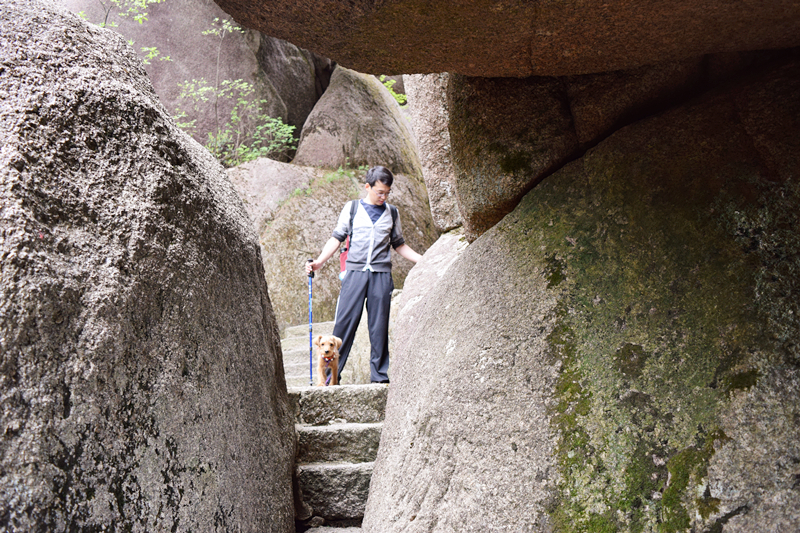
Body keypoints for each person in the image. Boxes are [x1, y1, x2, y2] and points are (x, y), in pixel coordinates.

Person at [305, 166, 422, 383]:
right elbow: (337, 237)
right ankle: (331, 377)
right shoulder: (352, 209)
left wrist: (424, 260)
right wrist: (320, 261)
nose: (383, 196)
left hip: (381, 275)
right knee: (344, 324)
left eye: (387, 192)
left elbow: (399, 244)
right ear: (367, 186)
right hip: (355, 273)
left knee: (379, 327)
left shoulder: (392, 212)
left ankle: (379, 376)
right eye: (379, 192)